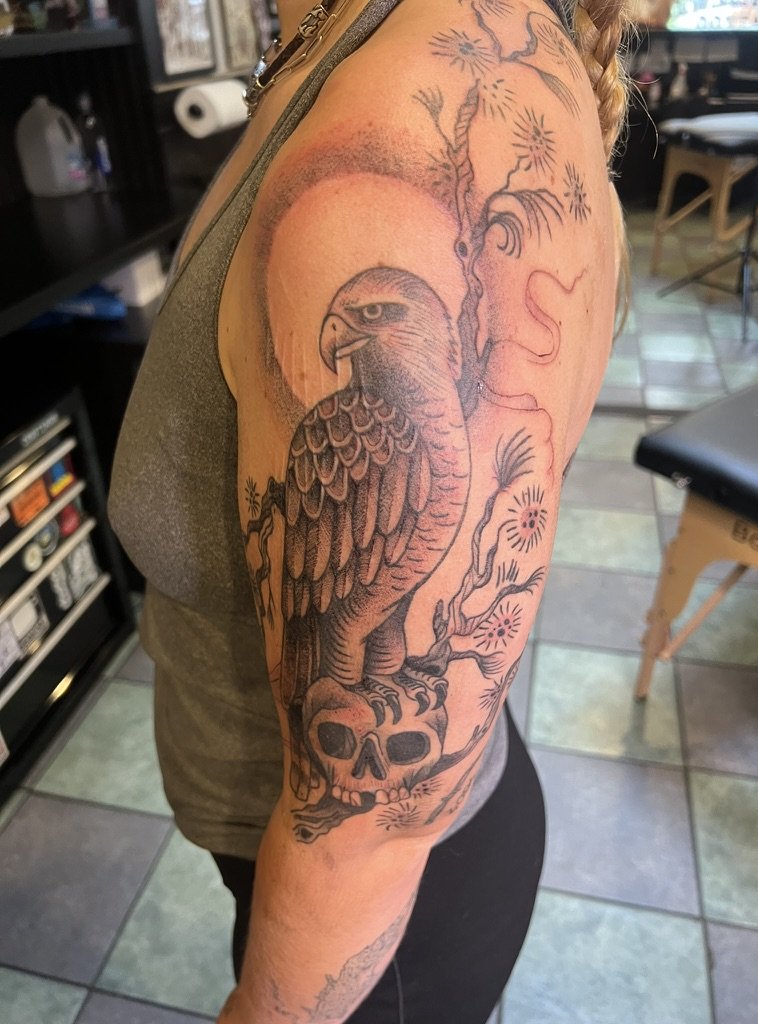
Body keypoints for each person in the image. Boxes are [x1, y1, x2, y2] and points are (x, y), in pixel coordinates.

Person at [109, 1, 629, 1021]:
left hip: (370, 934)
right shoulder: (358, 40)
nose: (346, 335)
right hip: (335, 876)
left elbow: (372, 825)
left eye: (372, 316)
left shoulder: (433, 102)